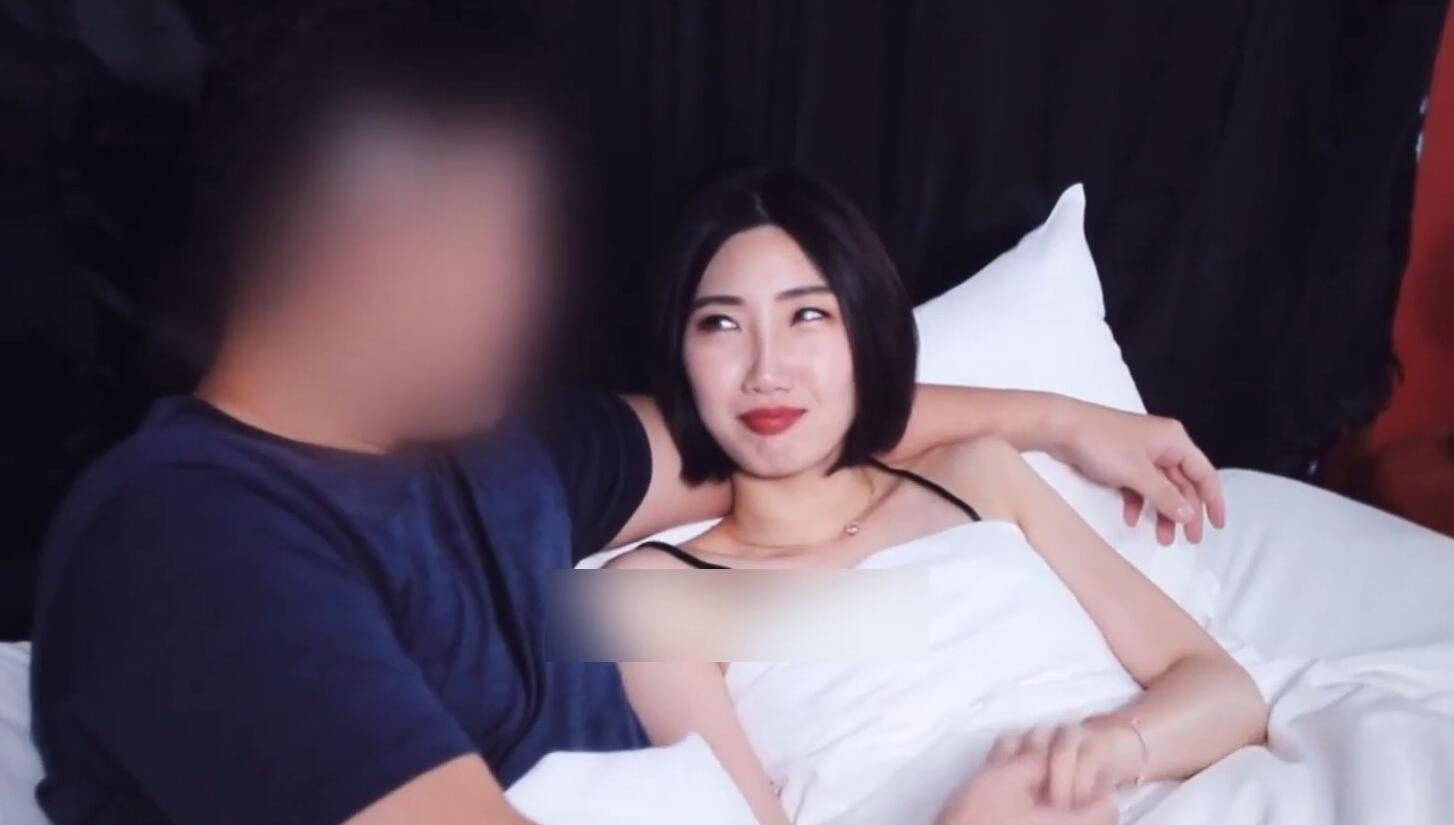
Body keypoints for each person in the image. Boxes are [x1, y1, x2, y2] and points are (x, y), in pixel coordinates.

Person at [29, 12, 1227, 825]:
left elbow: (773, 431)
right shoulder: (192, 538)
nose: (529, 288)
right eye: (493, 238)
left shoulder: (507, 453)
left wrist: (1056, 418)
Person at [608, 169, 1268, 825]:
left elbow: (1224, 688)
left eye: (807, 315)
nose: (766, 370)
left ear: (864, 331)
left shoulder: (977, 474)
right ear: (679, 355)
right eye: (721, 323)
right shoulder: (653, 595)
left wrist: (1108, 749)